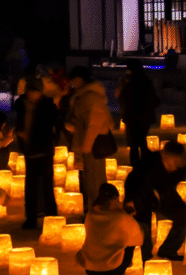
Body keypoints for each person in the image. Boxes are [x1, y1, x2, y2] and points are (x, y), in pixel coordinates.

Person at [124, 140, 186, 261]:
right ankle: (144, 256)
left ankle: (168, 250)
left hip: (163, 191)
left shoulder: (182, 168)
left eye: (177, 162)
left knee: (183, 216)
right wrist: (132, 203)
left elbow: (169, 185)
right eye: (171, 160)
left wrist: (164, 200)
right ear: (163, 154)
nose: (173, 165)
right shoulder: (148, 164)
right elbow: (136, 184)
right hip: (138, 192)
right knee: (143, 225)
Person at [77, 182, 143, 275]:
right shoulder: (121, 217)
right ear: (115, 198)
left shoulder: (91, 214)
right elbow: (138, 239)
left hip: (90, 270)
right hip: (112, 270)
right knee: (130, 244)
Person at [66, 65, 114, 211]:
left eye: (73, 80)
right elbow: (84, 121)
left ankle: (98, 211)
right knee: (89, 180)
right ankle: (94, 209)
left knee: (94, 181)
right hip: (87, 144)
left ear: (80, 79)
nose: (72, 83)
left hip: (93, 146)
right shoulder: (83, 96)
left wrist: (85, 147)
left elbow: (94, 124)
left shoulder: (91, 97)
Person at [14, 76, 58, 229]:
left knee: (47, 185)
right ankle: (31, 217)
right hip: (29, 150)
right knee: (30, 185)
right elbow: (18, 122)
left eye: (36, 92)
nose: (32, 95)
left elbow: (51, 127)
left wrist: (50, 140)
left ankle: (52, 216)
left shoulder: (48, 106)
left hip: (44, 150)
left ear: (41, 92)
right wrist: (20, 134)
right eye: (30, 92)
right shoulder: (20, 105)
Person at [117, 61, 159, 168]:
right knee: (140, 141)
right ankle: (148, 163)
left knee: (135, 143)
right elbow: (154, 99)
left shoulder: (130, 83)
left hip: (133, 117)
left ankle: (141, 164)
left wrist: (123, 85)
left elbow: (122, 97)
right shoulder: (146, 81)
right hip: (145, 117)